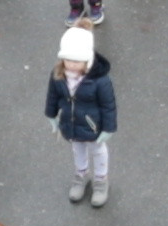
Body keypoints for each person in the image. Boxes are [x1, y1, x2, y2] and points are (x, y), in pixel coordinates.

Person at [43, 26, 117, 207]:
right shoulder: (58, 76)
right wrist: (51, 115)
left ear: (88, 59)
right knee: (78, 150)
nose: (72, 64)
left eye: (77, 61)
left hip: (94, 126)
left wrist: (108, 127)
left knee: (98, 151)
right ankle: (81, 175)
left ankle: (101, 180)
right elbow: (52, 96)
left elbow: (108, 105)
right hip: (71, 124)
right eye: (68, 60)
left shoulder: (100, 80)